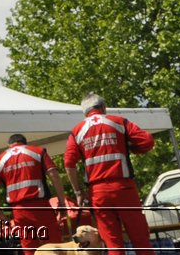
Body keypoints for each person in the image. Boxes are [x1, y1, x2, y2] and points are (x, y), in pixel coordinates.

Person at [63, 95, 155, 255]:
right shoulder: (119, 122)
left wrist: (78, 192)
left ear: (85, 112)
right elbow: (147, 141)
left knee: (113, 243)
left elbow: (69, 164)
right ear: (103, 107)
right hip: (124, 189)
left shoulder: (77, 131)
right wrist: (131, 148)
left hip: (98, 193)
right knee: (141, 240)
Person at [0, 133, 70, 255]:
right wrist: (62, 202)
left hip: (19, 212)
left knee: (30, 249)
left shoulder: (0, 160)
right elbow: (54, 174)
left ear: (9, 145)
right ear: (25, 142)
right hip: (40, 207)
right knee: (54, 246)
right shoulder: (38, 151)